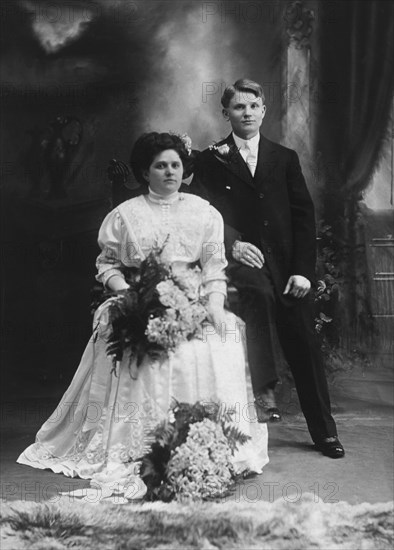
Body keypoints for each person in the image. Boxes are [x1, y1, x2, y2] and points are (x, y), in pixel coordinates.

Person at [17, 132, 269, 500]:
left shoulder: (205, 213)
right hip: (138, 296)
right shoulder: (124, 215)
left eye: (175, 165)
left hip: (192, 298)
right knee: (134, 341)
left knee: (214, 340)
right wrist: (129, 295)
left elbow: (214, 268)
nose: (169, 172)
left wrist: (213, 305)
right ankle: (135, 442)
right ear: (144, 171)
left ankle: (196, 436)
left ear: (184, 171)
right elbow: (108, 265)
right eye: (160, 165)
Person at [189, 79, 345, 459]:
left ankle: (325, 433)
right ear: (225, 113)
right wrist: (233, 243)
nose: (246, 113)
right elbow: (201, 213)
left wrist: (303, 271)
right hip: (240, 262)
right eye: (238, 107)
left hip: (288, 267)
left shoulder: (284, 157)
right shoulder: (210, 160)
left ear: (263, 110)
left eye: (253, 106)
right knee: (255, 297)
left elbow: (303, 217)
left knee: (304, 342)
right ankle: (264, 391)